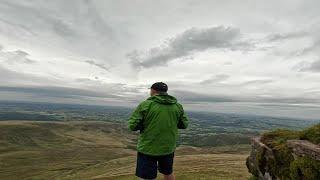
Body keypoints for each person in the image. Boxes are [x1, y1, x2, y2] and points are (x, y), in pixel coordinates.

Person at [128, 82, 189, 180]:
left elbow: (132, 126)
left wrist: (144, 125)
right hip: (168, 147)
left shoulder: (146, 104)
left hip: (148, 147)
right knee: (168, 173)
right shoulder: (177, 106)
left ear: (153, 90)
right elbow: (184, 124)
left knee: (147, 177)